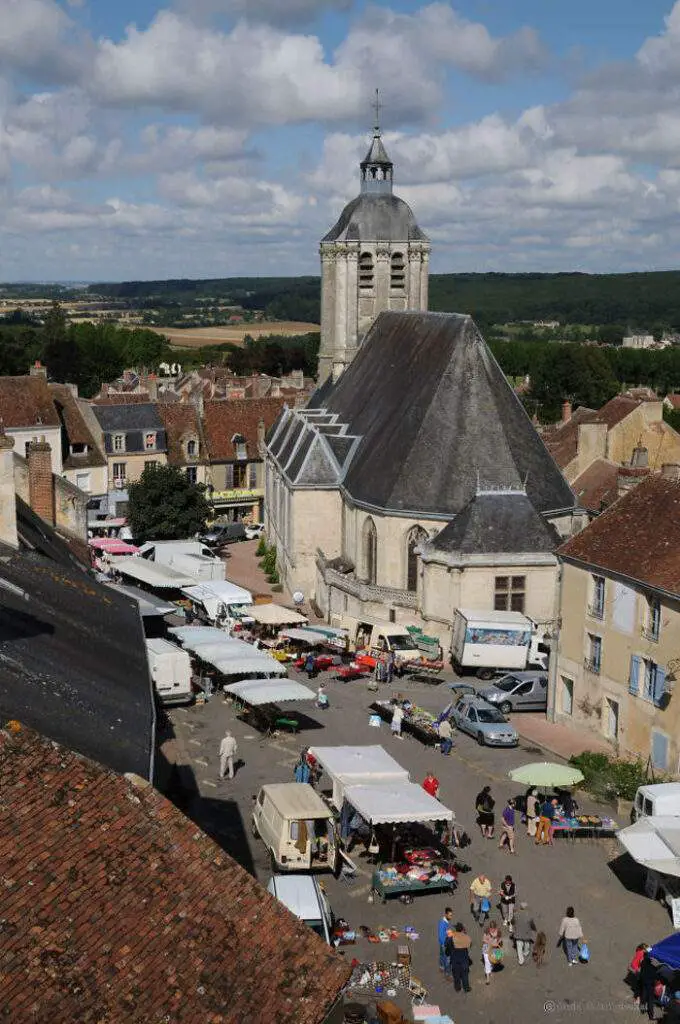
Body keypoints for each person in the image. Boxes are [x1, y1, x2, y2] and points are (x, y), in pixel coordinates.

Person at [445, 923, 472, 993]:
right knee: (465, 975)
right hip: (464, 960)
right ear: (462, 930)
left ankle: (457, 988)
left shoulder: (451, 938)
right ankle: (466, 988)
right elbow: (470, 944)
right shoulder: (465, 937)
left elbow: (446, 944)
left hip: (454, 960)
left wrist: (448, 937)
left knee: (456, 975)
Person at [639, 949, 658, 1020]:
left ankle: (642, 1009)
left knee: (643, 996)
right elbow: (655, 975)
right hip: (650, 983)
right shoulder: (653, 965)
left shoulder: (643, 962)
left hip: (644, 981)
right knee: (650, 1000)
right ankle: (651, 1015)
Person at [438, 906, 454, 973]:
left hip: (443, 944)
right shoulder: (443, 924)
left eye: (451, 915)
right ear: (446, 914)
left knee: (442, 956)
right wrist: (445, 944)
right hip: (445, 944)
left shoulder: (445, 922)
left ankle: (441, 967)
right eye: (450, 915)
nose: (451, 917)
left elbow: (446, 932)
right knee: (447, 959)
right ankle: (447, 973)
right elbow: (441, 936)